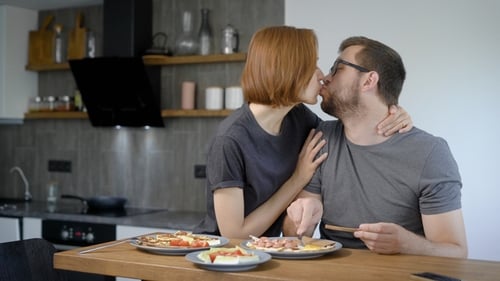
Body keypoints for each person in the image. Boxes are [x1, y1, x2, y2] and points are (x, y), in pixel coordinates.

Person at [193, 27, 413, 239]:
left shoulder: (299, 119)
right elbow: (234, 234)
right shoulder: (230, 140)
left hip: (262, 254)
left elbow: (348, 130)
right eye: (313, 65)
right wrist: (297, 180)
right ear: (289, 69)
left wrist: (391, 113)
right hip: (220, 258)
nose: (321, 76)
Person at [283, 36, 468, 258]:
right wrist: (300, 219)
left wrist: (407, 244)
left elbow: (457, 252)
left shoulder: (429, 153)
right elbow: (293, 234)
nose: (325, 77)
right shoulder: (324, 138)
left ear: (369, 81)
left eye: (337, 68)